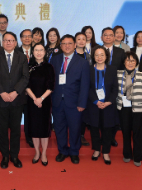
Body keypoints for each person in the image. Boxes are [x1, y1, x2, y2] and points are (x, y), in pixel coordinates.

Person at [0, 32, 29, 169]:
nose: (8, 42)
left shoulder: (22, 57)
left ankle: (14, 155)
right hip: (0, 100)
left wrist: (15, 92)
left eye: (11, 40)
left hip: (16, 100)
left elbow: (25, 77)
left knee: (15, 130)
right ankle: (5, 156)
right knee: (2, 130)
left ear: (15, 42)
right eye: (6, 40)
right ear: (2, 42)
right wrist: (2, 92)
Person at [50, 34, 90, 164]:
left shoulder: (83, 62)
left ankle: (74, 151)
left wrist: (82, 103)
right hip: (57, 101)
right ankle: (62, 151)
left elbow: (85, 85)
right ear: (60, 46)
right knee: (59, 127)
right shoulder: (54, 60)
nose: (67, 46)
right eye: (64, 44)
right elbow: (51, 81)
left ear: (74, 45)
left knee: (74, 128)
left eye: (69, 43)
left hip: (74, 103)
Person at [117, 52, 142, 167]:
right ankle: (127, 154)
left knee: (138, 134)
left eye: (132, 61)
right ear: (124, 62)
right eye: (127, 60)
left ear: (136, 63)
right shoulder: (118, 74)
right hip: (124, 109)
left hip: (139, 109)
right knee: (125, 133)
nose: (130, 63)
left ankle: (137, 156)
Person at [88, 46, 118, 165]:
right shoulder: (89, 69)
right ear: (93, 57)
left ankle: (105, 152)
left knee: (107, 129)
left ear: (106, 56)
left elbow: (115, 88)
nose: (99, 57)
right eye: (97, 55)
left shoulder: (112, 69)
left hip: (108, 105)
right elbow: (87, 88)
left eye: (102, 55)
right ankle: (96, 150)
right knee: (94, 128)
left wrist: (109, 101)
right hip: (93, 104)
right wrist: (96, 101)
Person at [25, 43, 55, 166]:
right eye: (36, 50)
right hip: (31, 102)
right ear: (32, 52)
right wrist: (35, 99)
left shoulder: (49, 67)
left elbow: (51, 86)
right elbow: (26, 85)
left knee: (44, 128)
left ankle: (44, 153)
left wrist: (41, 99)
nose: (38, 52)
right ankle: (37, 152)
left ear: (45, 52)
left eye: (41, 50)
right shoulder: (28, 66)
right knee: (34, 128)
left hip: (45, 102)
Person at [101, 27, 125, 147]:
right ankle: (101, 137)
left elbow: (124, 69)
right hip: (98, 85)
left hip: (115, 85)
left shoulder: (120, 52)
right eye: (106, 35)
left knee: (114, 113)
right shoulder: (96, 50)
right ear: (101, 37)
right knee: (100, 111)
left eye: (111, 35)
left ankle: (111, 137)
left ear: (114, 37)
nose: (108, 37)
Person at [74, 32, 92, 147]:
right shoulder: (70, 55)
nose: (81, 41)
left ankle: (81, 135)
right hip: (72, 89)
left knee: (83, 114)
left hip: (85, 88)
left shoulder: (89, 57)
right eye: (78, 39)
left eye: (83, 39)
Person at [18, 29, 34, 148]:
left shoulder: (38, 51)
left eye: (29, 36)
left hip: (33, 91)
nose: (27, 38)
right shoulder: (15, 51)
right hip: (18, 90)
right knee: (16, 116)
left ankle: (29, 137)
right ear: (21, 38)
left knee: (30, 116)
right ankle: (15, 137)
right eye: (25, 36)